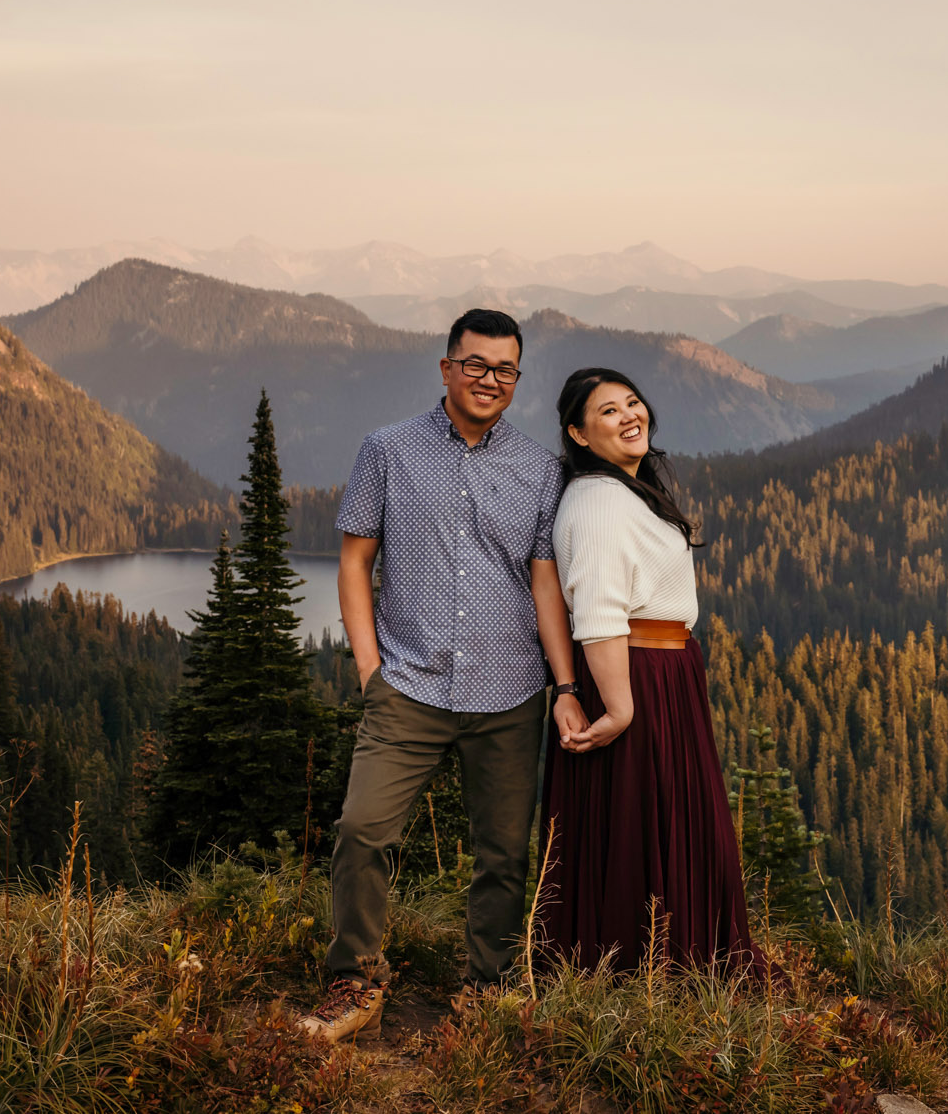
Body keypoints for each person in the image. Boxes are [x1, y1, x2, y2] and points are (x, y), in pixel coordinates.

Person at [300, 309, 581, 1043]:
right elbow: (356, 560)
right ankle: (355, 981)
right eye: (476, 364)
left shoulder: (540, 469)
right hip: (410, 685)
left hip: (512, 689)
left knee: (503, 852)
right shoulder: (387, 450)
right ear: (447, 367)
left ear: (517, 378)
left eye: (504, 369)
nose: (489, 379)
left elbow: (545, 583)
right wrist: (370, 668)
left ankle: (487, 986)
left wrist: (566, 686)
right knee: (362, 830)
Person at [538, 367, 765, 974]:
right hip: (638, 676)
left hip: (662, 671)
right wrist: (621, 707)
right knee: (645, 821)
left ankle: (667, 962)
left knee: (654, 820)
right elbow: (598, 611)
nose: (629, 416)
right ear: (578, 434)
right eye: (608, 411)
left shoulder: (624, 491)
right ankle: (649, 967)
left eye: (633, 402)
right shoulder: (599, 503)